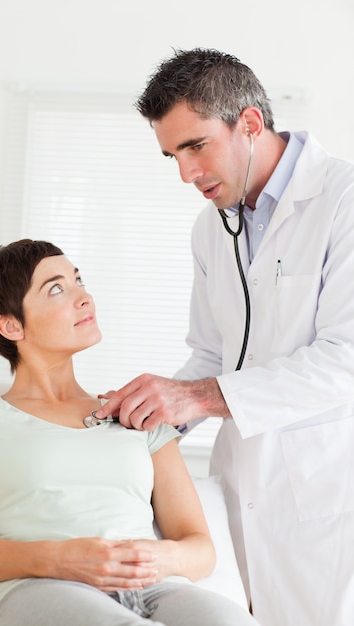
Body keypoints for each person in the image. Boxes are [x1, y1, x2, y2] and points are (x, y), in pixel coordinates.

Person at [94, 48, 354, 626]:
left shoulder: (343, 199)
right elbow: (214, 355)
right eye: (172, 156)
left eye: (196, 146)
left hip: (329, 491)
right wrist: (154, 409)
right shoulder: (212, 227)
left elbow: (347, 360)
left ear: (251, 123)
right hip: (241, 492)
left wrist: (202, 397)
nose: (187, 173)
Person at [0, 239, 258, 626]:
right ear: (11, 325)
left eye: (79, 280)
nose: (84, 297)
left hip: (158, 587)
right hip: (43, 588)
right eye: (56, 288)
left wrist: (155, 559)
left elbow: (200, 547)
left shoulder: (134, 412)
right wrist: (62, 560)